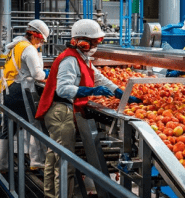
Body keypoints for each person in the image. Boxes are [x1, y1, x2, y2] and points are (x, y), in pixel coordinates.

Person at [35, 19, 141, 198]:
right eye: (95, 42)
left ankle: (51, 195)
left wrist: (121, 93)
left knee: (54, 158)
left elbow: (98, 77)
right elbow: (63, 89)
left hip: (62, 109)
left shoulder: (81, 58)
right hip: (60, 111)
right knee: (64, 161)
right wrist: (90, 90)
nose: (96, 46)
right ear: (82, 42)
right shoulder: (69, 59)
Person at [0, 19, 50, 171]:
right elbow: (38, 74)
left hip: (7, 90)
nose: (40, 43)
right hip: (20, 90)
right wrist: (49, 72)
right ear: (35, 36)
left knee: (8, 128)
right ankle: (37, 161)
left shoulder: (16, 47)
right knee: (35, 124)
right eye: (41, 40)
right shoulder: (28, 49)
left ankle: (1, 165)